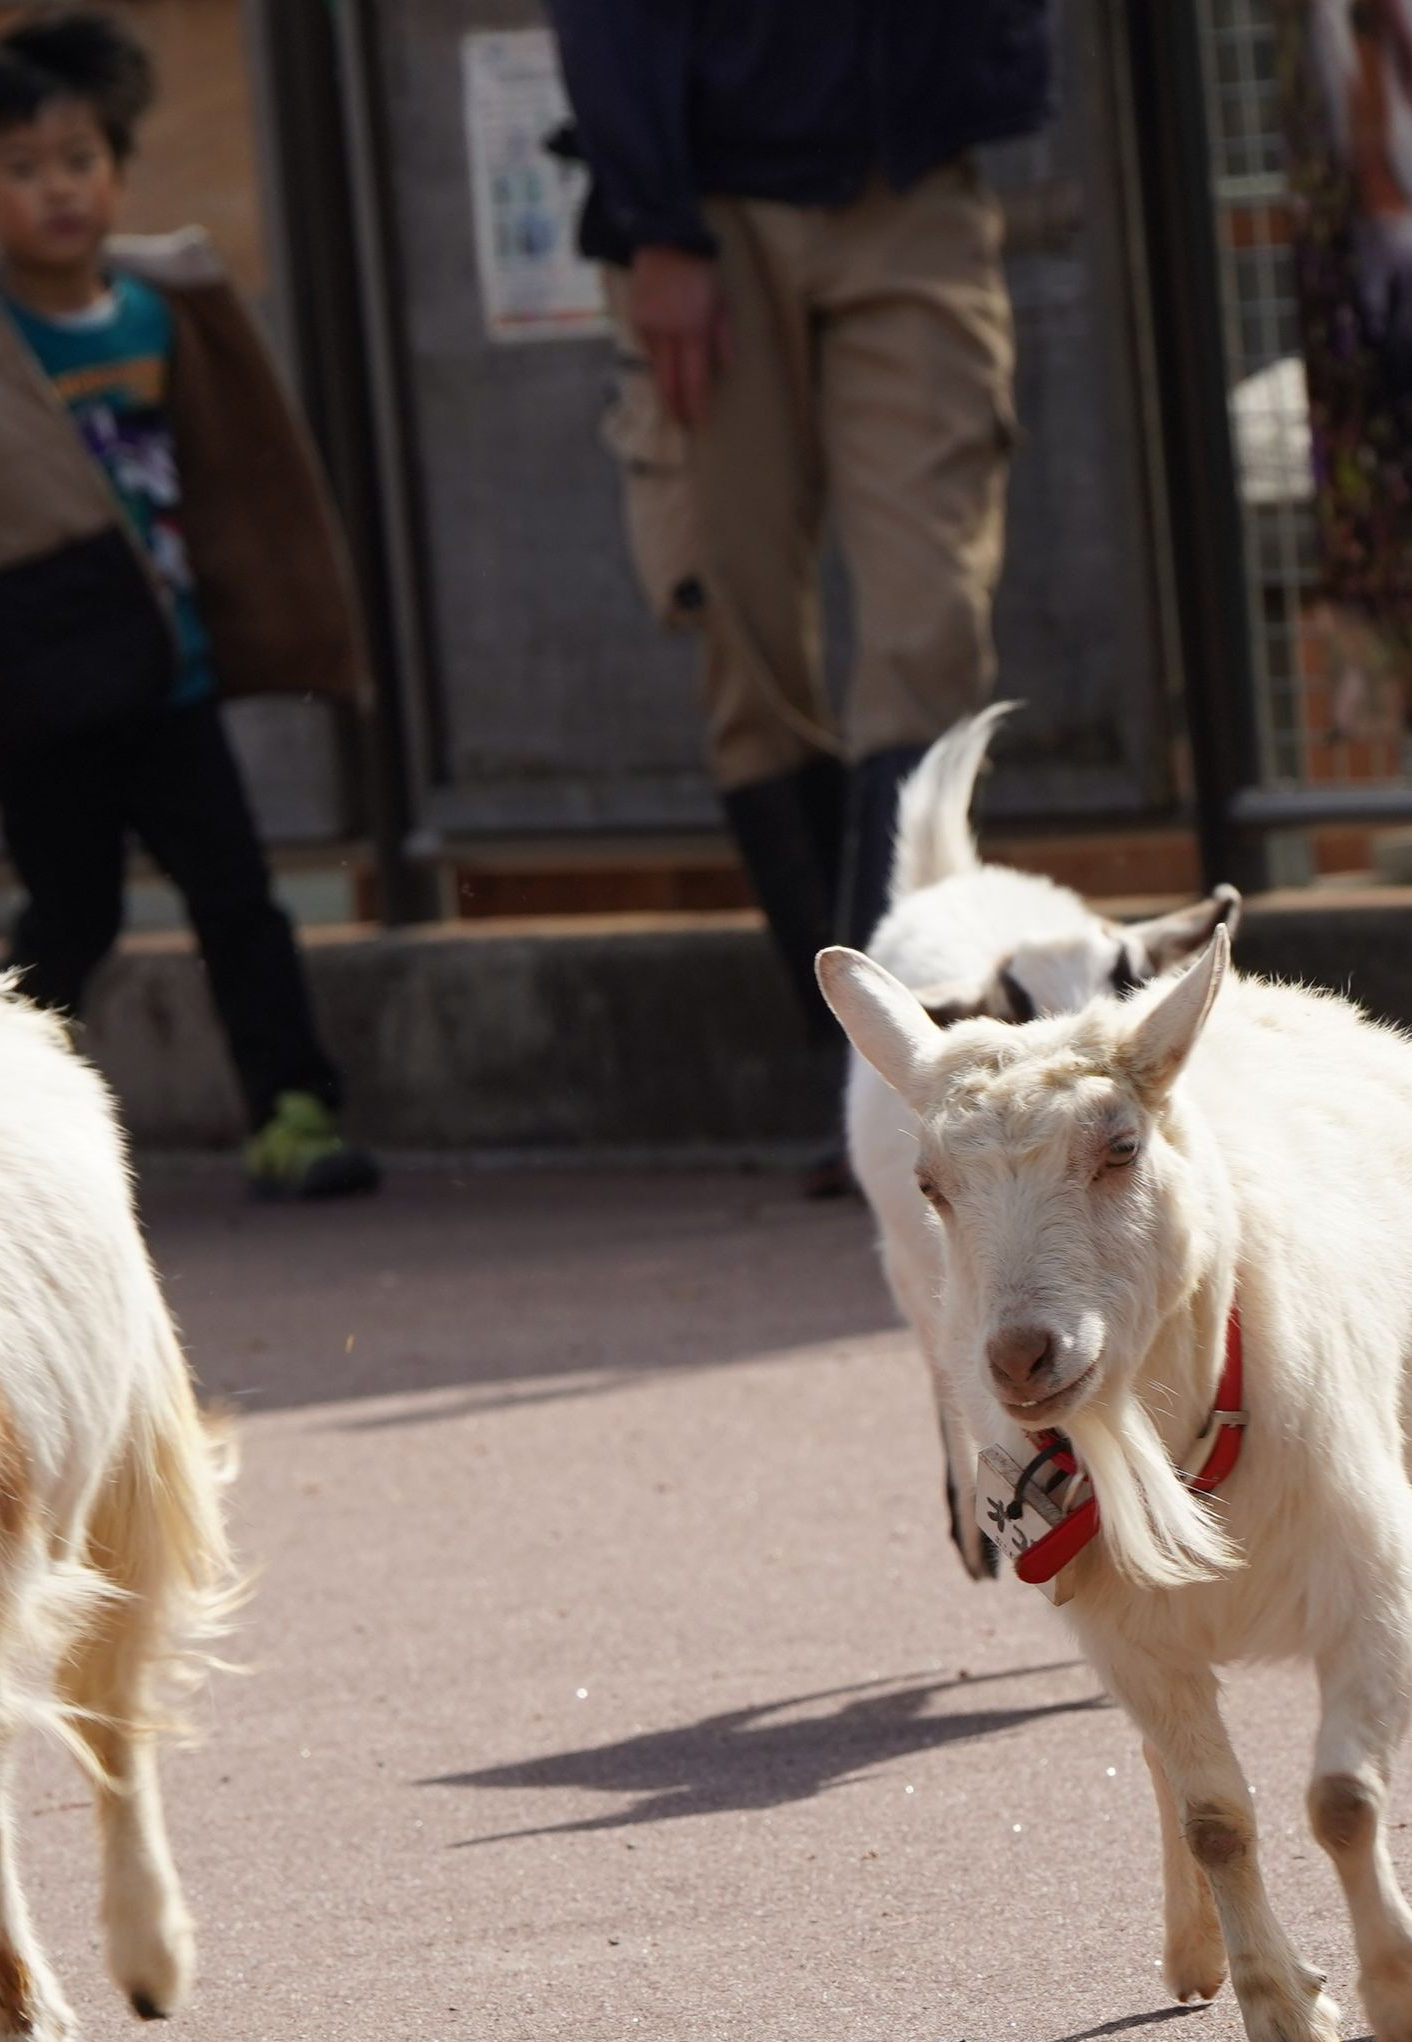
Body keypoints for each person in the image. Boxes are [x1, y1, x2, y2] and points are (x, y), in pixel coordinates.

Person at [0, 7, 380, 1201]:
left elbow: (242, 477)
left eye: (80, 159)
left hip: (171, 678)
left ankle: (292, 1110)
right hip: (39, 689)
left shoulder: (166, 316)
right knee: (70, 915)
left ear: (119, 172)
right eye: (23, 168)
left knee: (238, 898)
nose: (59, 189)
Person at [547, 0, 1050, 1191]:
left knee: (930, 623)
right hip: (706, 206)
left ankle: (904, 1084)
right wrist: (654, 222)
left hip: (911, 176)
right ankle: (857, 1070)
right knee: (744, 637)